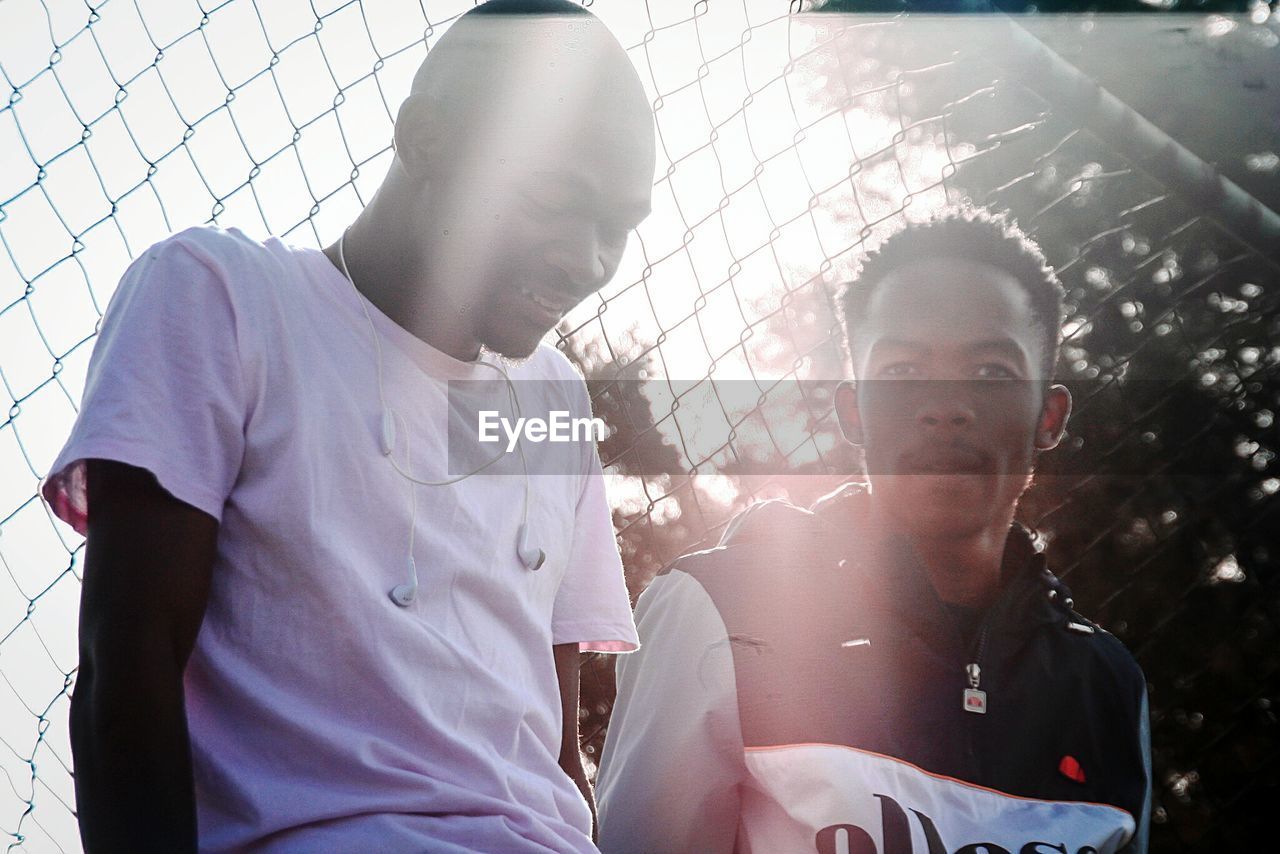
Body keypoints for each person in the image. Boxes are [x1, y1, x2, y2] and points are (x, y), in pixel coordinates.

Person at [41, 1, 655, 851]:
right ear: (427, 139)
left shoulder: (555, 399)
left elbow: (551, 750)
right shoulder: (224, 298)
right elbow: (124, 671)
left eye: (618, 228)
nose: (589, 259)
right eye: (557, 199)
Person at [596, 208, 1151, 854]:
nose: (946, 407)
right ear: (853, 411)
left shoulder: (1108, 686)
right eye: (903, 373)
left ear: (1049, 416)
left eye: (992, 373)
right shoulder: (717, 610)